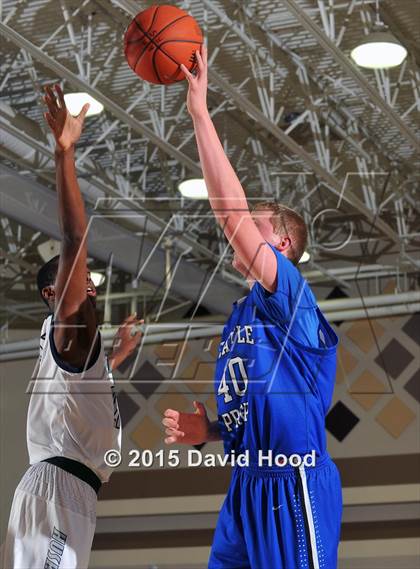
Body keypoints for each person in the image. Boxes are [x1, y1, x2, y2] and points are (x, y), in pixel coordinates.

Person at [162, 47, 342, 569]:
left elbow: (231, 215)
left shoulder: (292, 297)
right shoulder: (242, 315)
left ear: (282, 245)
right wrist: (213, 431)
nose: (244, 232)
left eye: (257, 226)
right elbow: (258, 412)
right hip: (246, 484)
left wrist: (199, 111)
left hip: (295, 481)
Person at [2, 85, 143, 569]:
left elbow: (79, 389)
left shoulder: (72, 345)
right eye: (80, 279)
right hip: (58, 489)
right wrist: (64, 154)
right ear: (54, 293)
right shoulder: (66, 324)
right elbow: (74, 237)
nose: (91, 286)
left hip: (68, 490)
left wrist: (118, 354)